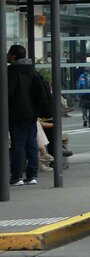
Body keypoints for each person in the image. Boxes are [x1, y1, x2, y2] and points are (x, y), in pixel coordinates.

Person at [7, 44, 51, 186]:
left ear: (13, 56)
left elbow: (8, 93)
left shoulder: (11, 72)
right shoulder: (32, 71)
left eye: (8, 54)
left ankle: (17, 176)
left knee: (18, 144)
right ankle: (32, 175)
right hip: (32, 113)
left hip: (16, 113)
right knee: (31, 143)